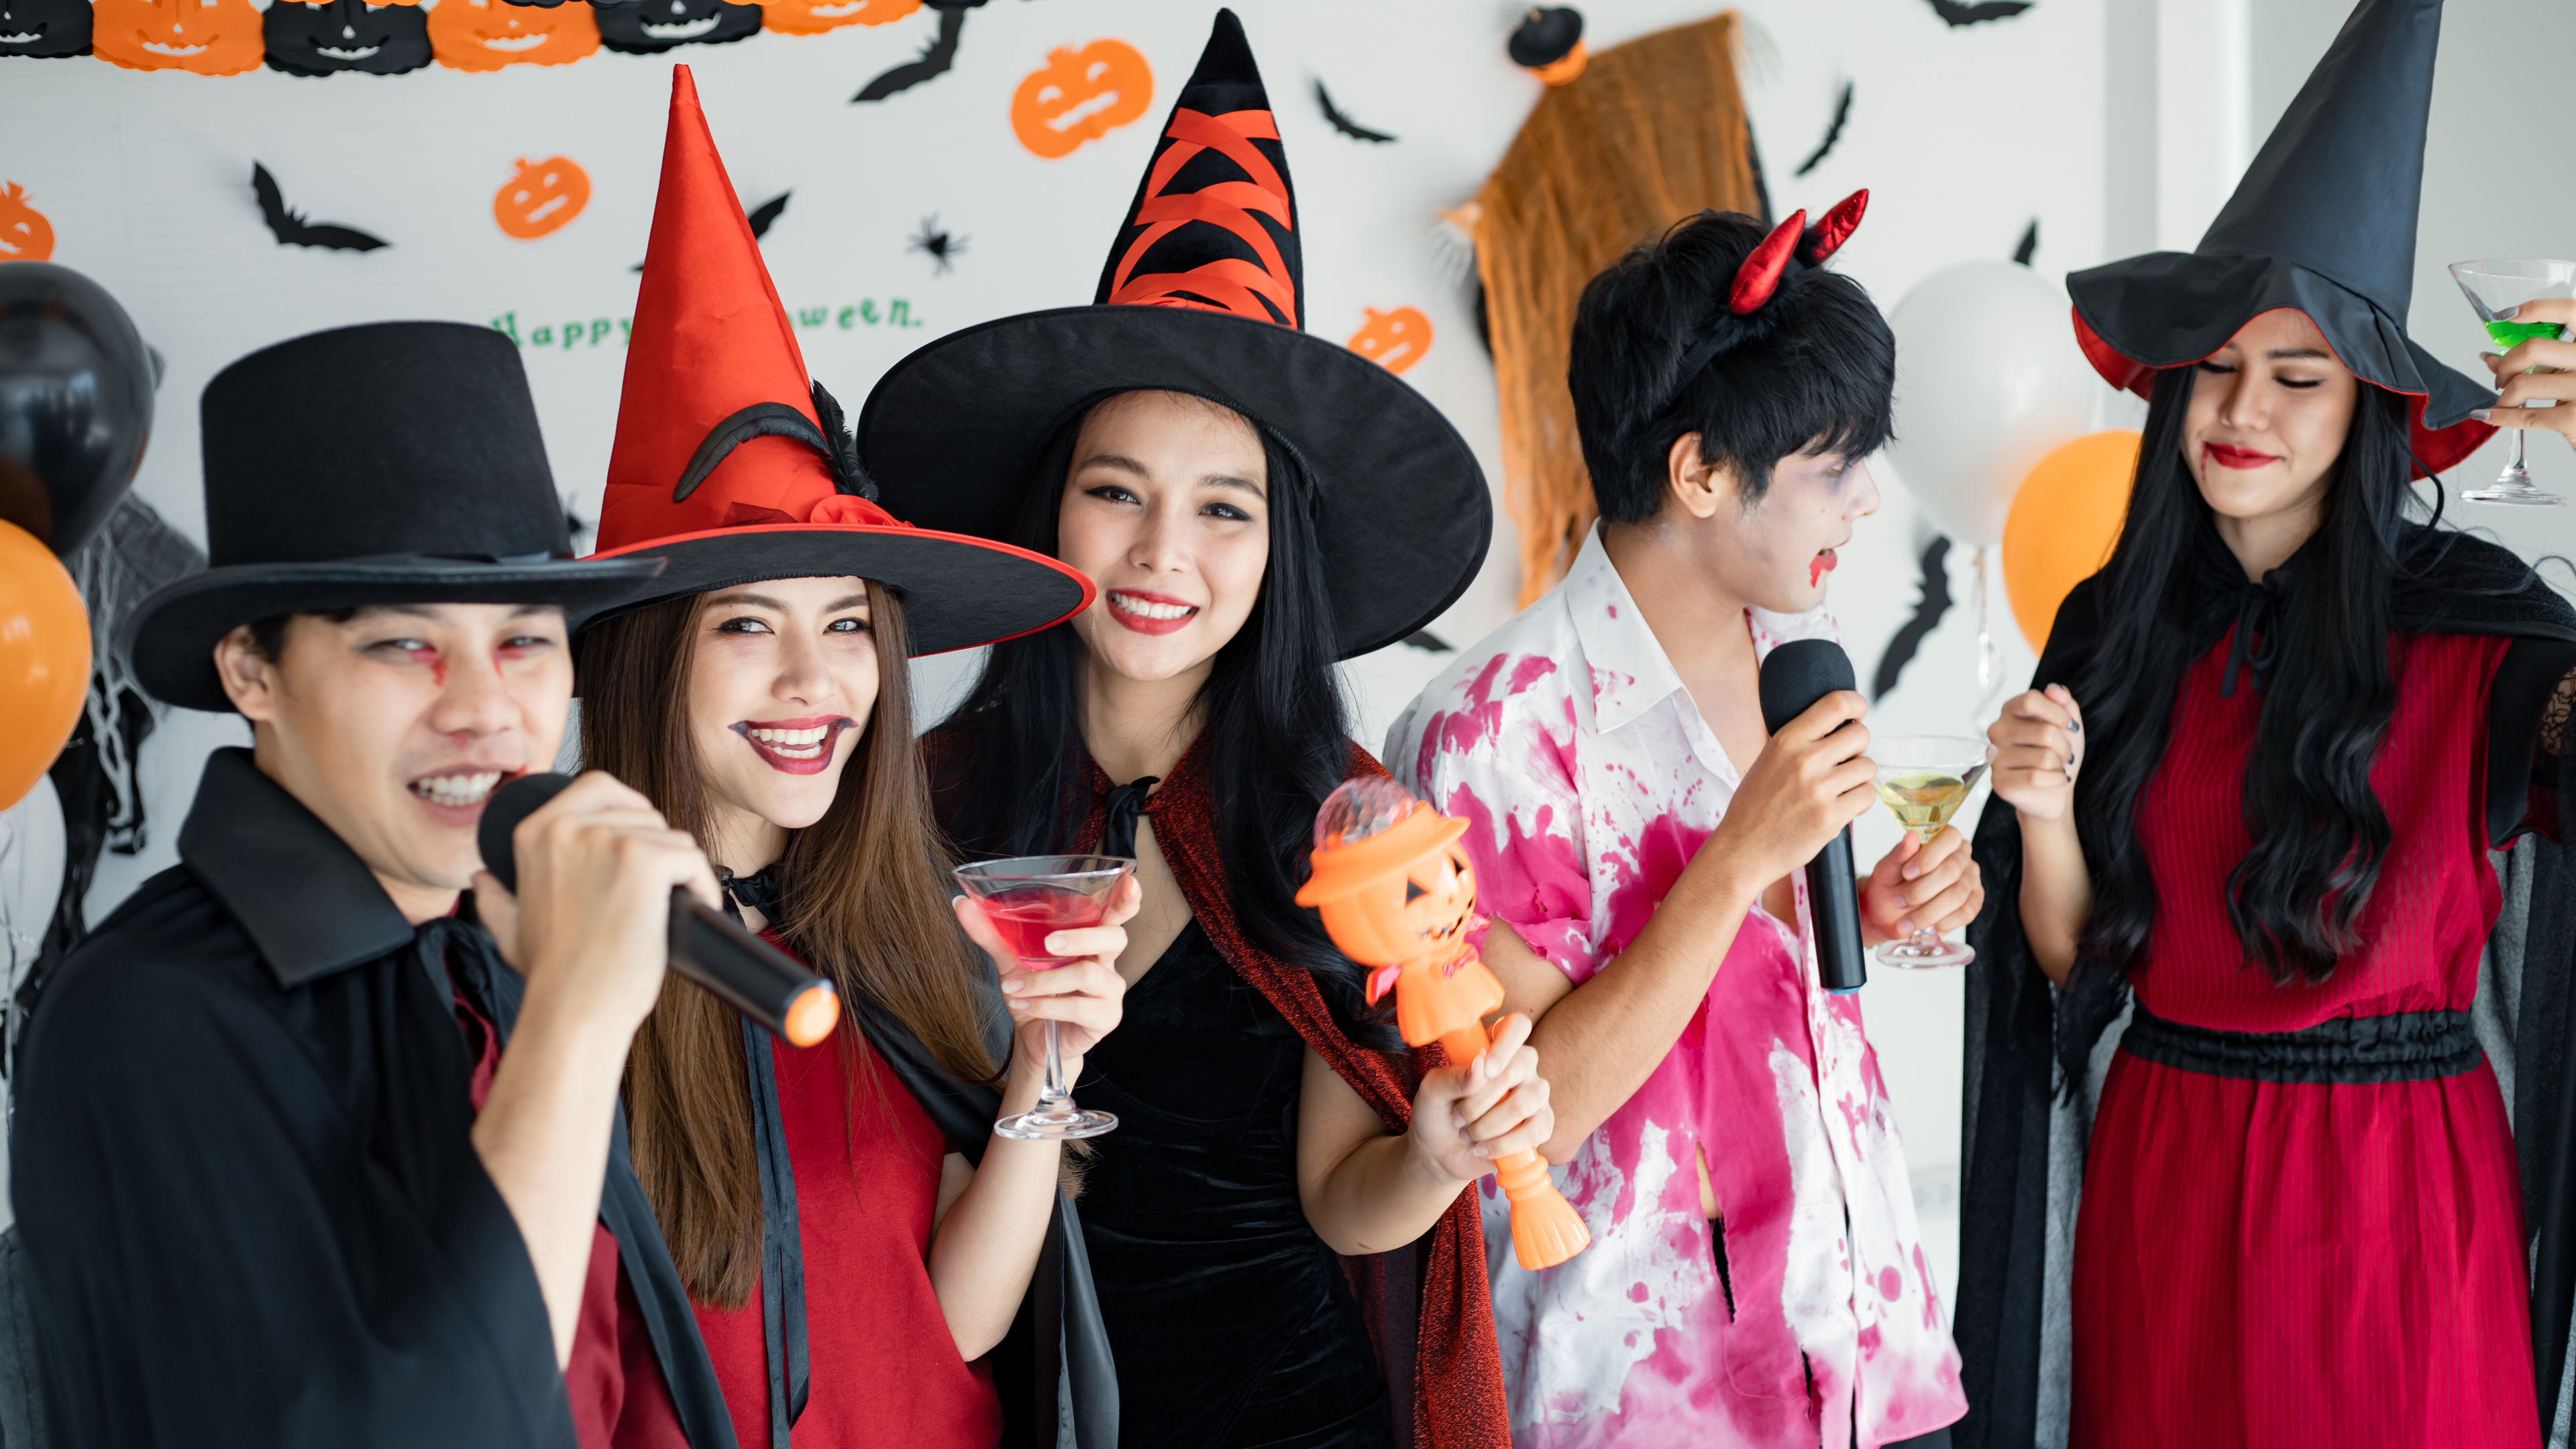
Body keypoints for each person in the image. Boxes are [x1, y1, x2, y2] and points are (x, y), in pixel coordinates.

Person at [858, 13, 1541, 1448]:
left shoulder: (1340, 824)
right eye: (1118, 491)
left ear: (1279, 547)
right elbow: (891, 1221)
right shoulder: (923, 811)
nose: (1163, 551)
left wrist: (1428, 1158)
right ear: (1054, 511)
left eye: (1223, 508)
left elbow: (1344, 1204)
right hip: (1011, 1406)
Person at [1955, 1, 2576, 1445]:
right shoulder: (2114, 623)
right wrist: (2042, 820)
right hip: (2165, 1173)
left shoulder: (2485, 633)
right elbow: (2075, 958)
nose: (2245, 409)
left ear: (2370, 408)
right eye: (2218, 369)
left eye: (2299, 377)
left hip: (2395, 1203)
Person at [9, 320, 741, 1448]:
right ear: (253, 670)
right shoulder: (146, 1014)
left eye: (525, 644)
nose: (486, 712)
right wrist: (578, 1025)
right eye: (405, 646)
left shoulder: (491, 948)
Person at [570, 67, 1126, 1449]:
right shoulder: (546, 970)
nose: (817, 683)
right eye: (748, 624)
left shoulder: (914, 936)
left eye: (847, 625)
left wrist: (1044, 1065)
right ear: (649, 657)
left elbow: (961, 1320)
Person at [1386, 202, 1976, 1449]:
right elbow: (1522, 1116)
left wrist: (1864, 913)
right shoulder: (1488, 735)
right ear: (1702, 471)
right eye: (1832, 467)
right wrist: (1741, 860)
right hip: (1643, 1391)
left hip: (1861, 1348)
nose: (1863, 504)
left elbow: (1753, 978)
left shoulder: (1794, 657)